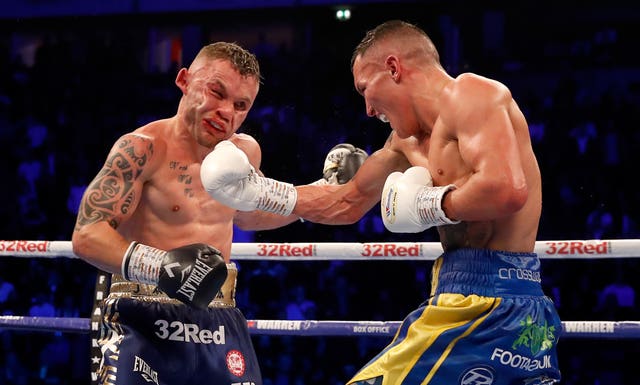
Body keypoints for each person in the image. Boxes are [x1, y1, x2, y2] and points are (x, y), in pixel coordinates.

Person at [201, 20, 562, 384]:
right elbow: (347, 201)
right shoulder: (402, 144)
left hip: (495, 303)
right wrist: (258, 193)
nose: (369, 110)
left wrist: (428, 204)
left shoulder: (471, 94)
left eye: (364, 88)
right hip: (462, 298)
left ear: (393, 68)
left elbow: (507, 190)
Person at [71, 41, 367, 385]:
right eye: (216, 93)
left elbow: (250, 215)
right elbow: (87, 235)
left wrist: (326, 186)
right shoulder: (142, 148)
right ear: (184, 80)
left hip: (216, 315)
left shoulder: (244, 152)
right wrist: (161, 267)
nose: (227, 112)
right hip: (139, 315)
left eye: (241, 105)